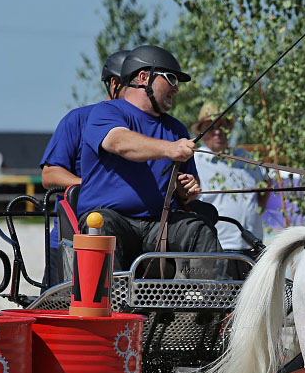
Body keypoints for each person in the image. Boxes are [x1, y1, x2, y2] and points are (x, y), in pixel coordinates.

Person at [78, 44, 221, 272]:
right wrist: (170, 149)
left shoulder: (176, 129)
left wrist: (187, 191)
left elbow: (186, 191)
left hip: (158, 223)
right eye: (171, 79)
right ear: (143, 77)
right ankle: (108, 305)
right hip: (110, 220)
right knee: (101, 225)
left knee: (198, 229)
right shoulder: (107, 112)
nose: (176, 88)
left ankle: (216, 303)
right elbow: (119, 142)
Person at [39, 49, 128, 285]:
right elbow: (50, 175)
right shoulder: (78, 120)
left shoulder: (146, 127)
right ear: (114, 84)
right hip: (73, 240)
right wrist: (92, 186)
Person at [192, 102, 270, 278]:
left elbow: (265, 185)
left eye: (223, 126)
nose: (218, 131)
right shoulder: (195, 161)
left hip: (252, 246)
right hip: (217, 249)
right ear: (201, 132)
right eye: (211, 127)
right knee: (221, 302)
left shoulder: (244, 157)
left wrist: (255, 213)